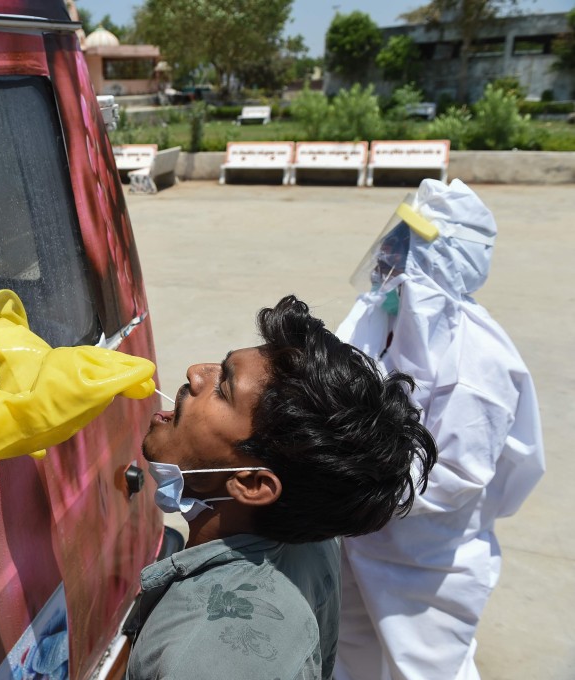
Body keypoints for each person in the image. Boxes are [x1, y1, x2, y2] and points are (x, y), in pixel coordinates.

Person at [128, 295, 438, 680]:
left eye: (223, 388)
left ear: (253, 484)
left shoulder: (205, 656)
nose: (195, 373)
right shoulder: (308, 529)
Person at [334, 179, 545, 680]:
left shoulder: (478, 364)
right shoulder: (377, 315)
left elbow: (454, 478)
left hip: (427, 563)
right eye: (395, 236)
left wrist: (346, 476)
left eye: (408, 242)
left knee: (425, 670)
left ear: (446, 261)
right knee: (348, 656)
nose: (388, 252)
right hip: (359, 533)